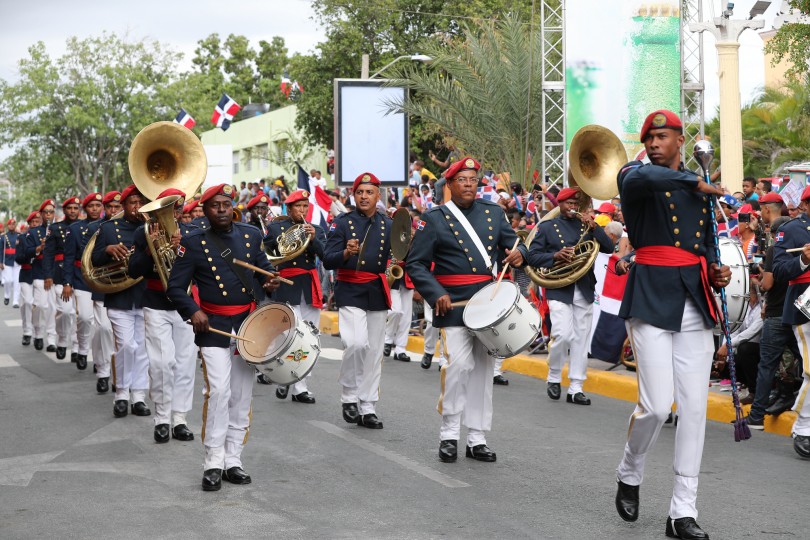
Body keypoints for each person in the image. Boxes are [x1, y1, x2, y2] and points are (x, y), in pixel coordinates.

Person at [613, 109, 730, 540]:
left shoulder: (698, 190)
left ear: (681, 141)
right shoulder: (635, 175)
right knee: (657, 406)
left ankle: (682, 510)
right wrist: (698, 182)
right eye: (649, 139)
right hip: (649, 297)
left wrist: (718, 271)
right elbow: (644, 179)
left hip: (692, 298)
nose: (654, 144)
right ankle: (630, 468)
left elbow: (705, 245)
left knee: (694, 410)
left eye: (663, 137)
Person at [406, 157, 528, 463]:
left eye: (473, 179)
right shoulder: (434, 218)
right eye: (462, 180)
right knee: (458, 366)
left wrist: (519, 254)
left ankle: (477, 437)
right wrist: (436, 294)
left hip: (487, 303)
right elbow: (416, 264)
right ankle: (449, 433)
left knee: (484, 373)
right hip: (453, 303)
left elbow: (516, 243)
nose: (469, 184)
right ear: (449, 185)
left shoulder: (493, 213)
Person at [166, 183, 281, 491]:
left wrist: (270, 282)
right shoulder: (193, 242)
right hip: (213, 324)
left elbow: (263, 271)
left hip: (247, 325)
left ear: (233, 206)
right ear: (205, 210)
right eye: (214, 204)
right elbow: (176, 287)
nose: (221, 209)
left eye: (226, 203)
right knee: (218, 391)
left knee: (242, 394)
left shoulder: (251, 235)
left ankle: (234, 459)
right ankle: (213, 461)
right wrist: (193, 311)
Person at [527, 187, 614, 405]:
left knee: (581, 340)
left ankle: (576, 387)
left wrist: (596, 229)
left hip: (583, 288)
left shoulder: (587, 225)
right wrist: (555, 256)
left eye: (576, 204)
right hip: (559, 288)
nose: (572, 208)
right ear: (560, 204)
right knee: (562, 334)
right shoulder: (547, 227)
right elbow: (533, 256)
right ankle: (554, 376)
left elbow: (609, 247)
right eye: (568, 204)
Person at [323, 172, 392, 429]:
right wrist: (344, 252)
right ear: (354, 195)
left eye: (369, 192)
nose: (364, 196)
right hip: (350, 288)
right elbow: (328, 258)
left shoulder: (387, 224)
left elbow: (398, 254)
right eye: (360, 192)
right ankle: (349, 395)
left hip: (376, 288)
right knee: (356, 343)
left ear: (377, 195)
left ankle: (368, 406)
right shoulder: (341, 223)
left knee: (374, 351)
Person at [129, 188, 197, 444]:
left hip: (186, 305)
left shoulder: (192, 234)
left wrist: (182, 251)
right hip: (155, 302)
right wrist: (149, 250)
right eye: (170, 209)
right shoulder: (143, 233)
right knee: (161, 362)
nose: (175, 214)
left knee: (185, 362)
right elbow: (134, 269)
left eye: (178, 209)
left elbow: (200, 269)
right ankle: (161, 418)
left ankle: (179, 418)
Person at [91, 185, 150, 419]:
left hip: (146, 295)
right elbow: (94, 261)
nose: (137, 207)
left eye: (140, 202)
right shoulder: (108, 228)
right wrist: (107, 249)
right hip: (119, 296)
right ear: (123, 206)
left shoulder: (152, 227)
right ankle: (122, 394)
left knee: (143, 349)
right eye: (132, 203)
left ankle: (139, 396)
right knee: (126, 346)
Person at [263, 189, 326, 403]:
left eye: (305, 207)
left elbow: (325, 256)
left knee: (309, 338)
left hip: (309, 286)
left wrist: (313, 238)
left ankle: (300, 386)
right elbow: (265, 256)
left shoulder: (315, 229)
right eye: (298, 206)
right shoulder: (275, 228)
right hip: (286, 285)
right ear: (289, 208)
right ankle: (284, 380)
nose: (302, 210)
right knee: (290, 337)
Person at [771, 184, 810, 460]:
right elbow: (780, 269)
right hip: (806, 306)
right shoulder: (794, 229)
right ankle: (803, 427)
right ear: (807, 205)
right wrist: (804, 260)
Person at [83, 191, 122, 394]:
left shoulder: (133, 226)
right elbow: (90, 260)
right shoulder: (93, 228)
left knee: (122, 338)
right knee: (104, 330)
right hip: (103, 284)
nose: (114, 211)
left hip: (126, 287)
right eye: (110, 207)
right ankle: (103, 371)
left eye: (117, 207)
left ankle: (120, 377)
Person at [61, 193, 104, 372]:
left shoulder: (107, 226)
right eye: (91, 205)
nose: (95, 208)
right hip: (81, 278)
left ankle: (99, 360)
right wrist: (67, 283)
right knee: (85, 318)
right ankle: (83, 350)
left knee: (102, 326)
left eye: (98, 205)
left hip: (102, 279)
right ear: (85, 209)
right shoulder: (76, 229)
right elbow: (69, 257)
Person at [43, 196, 81, 362]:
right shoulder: (56, 228)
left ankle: (77, 346)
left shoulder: (84, 227)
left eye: (75, 208)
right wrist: (48, 275)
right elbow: (48, 254)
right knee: (65, 311)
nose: (73, 211)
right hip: (59, 273)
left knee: (79, 314)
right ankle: (62, 340)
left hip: (79, 273)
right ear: (64, 210)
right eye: (70, 208)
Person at [26, 200, 57, 352]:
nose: (49, 215)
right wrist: (40, 247)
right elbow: (27, 252)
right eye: (46, 212)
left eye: (51, 211)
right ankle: (38, 333)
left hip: (55, 272)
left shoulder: (59, 230)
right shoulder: (33, 232)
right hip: (39, 272)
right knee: (40, 305)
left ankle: (51, 338)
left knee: (52, 307)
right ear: (41, 214)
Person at [17, 212, 42, 346]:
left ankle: (38, 333)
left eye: (37, 222)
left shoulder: (44, 237)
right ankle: (27, 332)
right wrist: (29, 255)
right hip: (26, 272)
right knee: (27, 302)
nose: (35, 224)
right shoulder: (22, 237)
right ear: (29, 223)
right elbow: (18, 258)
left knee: (40, 305)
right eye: (32, 222)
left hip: (40, 273)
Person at [1, 218, 21, 307]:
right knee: (8, 280)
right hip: (7, 261)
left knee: (17, 282)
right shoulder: (3, 236)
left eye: (13, 224)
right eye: (10, 224)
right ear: (7, 225)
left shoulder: (19, 235)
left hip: (17, 261)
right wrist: (1, 262)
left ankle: (15, 301)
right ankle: (7, 295)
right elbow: (1, 250)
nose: (12, 225)